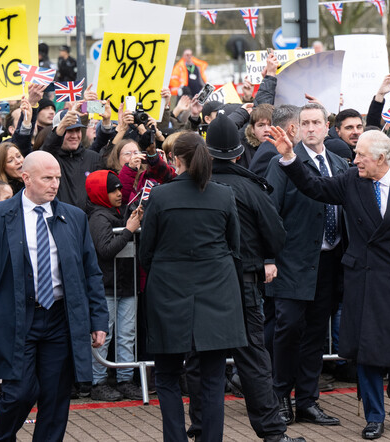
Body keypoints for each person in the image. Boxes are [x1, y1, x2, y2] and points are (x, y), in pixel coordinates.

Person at [269, 127, 390, 440]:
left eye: (361, 156)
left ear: (380, 158)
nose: (354, 160)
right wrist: (289, 157)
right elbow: (314, 186)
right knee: (367, 350)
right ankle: (374, 415)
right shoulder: (352, 180)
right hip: (362, 279)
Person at [0, 150, 109, 441]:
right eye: (47, 178)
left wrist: (98, 319)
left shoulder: (74, 217)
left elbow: (91, 272)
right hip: (16, 317)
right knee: (18, 392)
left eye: (57, 178)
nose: (54, 184)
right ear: (26, 178)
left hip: (59, 318)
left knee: (55, 398)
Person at [185, 113, 304, 442]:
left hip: (203, 284)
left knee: (200, 359)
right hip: (243, 282)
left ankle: (201, 429)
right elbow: (277, 235)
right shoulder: (251, 189)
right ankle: (273, 434)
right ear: (239, 154)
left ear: (207, 153)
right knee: (252, 358)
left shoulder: (191, 188)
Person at [139, 132, 247, 442]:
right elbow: (234, 247)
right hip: (216, 292)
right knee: (213, 379)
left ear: (175, 159)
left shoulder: (160, 197)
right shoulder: (223, 195)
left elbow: (147, 251)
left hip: (169, 295)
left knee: (168, 376)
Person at [265, 103, 347, 428]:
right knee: (287, 330)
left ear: (328, 126)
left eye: (317, 122)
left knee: (315, 334)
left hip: (330, 262)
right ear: (296, 128)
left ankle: (308, 402)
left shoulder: (341, 164)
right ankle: (280, 397)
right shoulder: (282, 163)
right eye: (305, 123)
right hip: (291, 263)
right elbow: (269, 212)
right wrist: (269, 259)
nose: (311, 128)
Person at [85, 170, 144, 402]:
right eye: (113, 190)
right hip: (108, 285)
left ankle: (125, 378)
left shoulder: (116, 212)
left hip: (125, 283)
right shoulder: (98, 217)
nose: (119, 193)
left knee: (126, 335)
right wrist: (129, 229)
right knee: (104, 336)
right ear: (101, 192)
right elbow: (106, 249)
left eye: (120, 188)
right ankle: (98, 382)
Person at [41, 106, 102, 211]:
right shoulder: (50, 158)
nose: (74, 135)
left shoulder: (93, 157)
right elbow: (46, 150)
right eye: (68, 130)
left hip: (87, 222)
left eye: (77, 130)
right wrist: (61, 127)